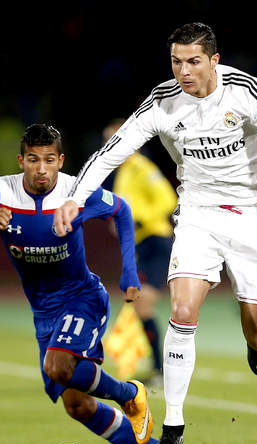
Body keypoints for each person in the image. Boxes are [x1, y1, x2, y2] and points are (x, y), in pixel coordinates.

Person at [52, 22, 257, 444]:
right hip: (196, 213)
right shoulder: (162, 101)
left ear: (214, 60)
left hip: (253, 215)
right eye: (176, 61)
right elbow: (114, 151)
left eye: (193, 61)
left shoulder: (247, 93)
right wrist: (74, 197)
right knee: (182, 309)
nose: (183, 70)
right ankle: (173, 424)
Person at [0, 124, 175, 444]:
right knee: (78, 405)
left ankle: (130, 394)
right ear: (21, 161)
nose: (41, 169)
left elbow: (122, 210)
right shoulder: (0, 191)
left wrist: (129, 273)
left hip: (82, 297)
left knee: (58, 367)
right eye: (34, 160)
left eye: (49, 160)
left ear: (61, 161)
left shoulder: (75, 191)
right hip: (44, 311)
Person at [102, 118, 178, 382]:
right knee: (139, 304)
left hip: (155, 240)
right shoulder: (124, 171)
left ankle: (162, 369)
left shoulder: (142, 167)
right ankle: (159, 367)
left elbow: (168, 200)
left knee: (143, 303)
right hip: (142, 244)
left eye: (114, 140)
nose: (109, 146)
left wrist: (139, 219)